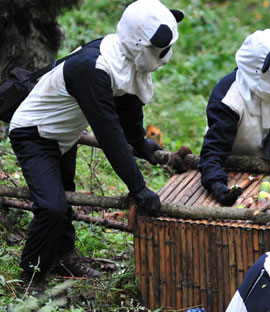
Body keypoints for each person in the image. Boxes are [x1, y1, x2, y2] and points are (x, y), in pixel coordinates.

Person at [8, 0, 184, 280]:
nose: (165, 54)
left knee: (63, 196)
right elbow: (109, 133)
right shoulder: (94, 68)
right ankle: (32, 275)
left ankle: (63, 256)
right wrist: (138, 186)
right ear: (139, 42)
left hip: (63, 134)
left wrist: (140, 141)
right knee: (51, 207)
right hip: (34, 134)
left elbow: (128, 101)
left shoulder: (122, 56)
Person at [198, 26, 270, 206]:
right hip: (230, 164)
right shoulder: (227, 101)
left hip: (266, 169)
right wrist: (217, 185)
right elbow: (212, 153)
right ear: (259, 71)